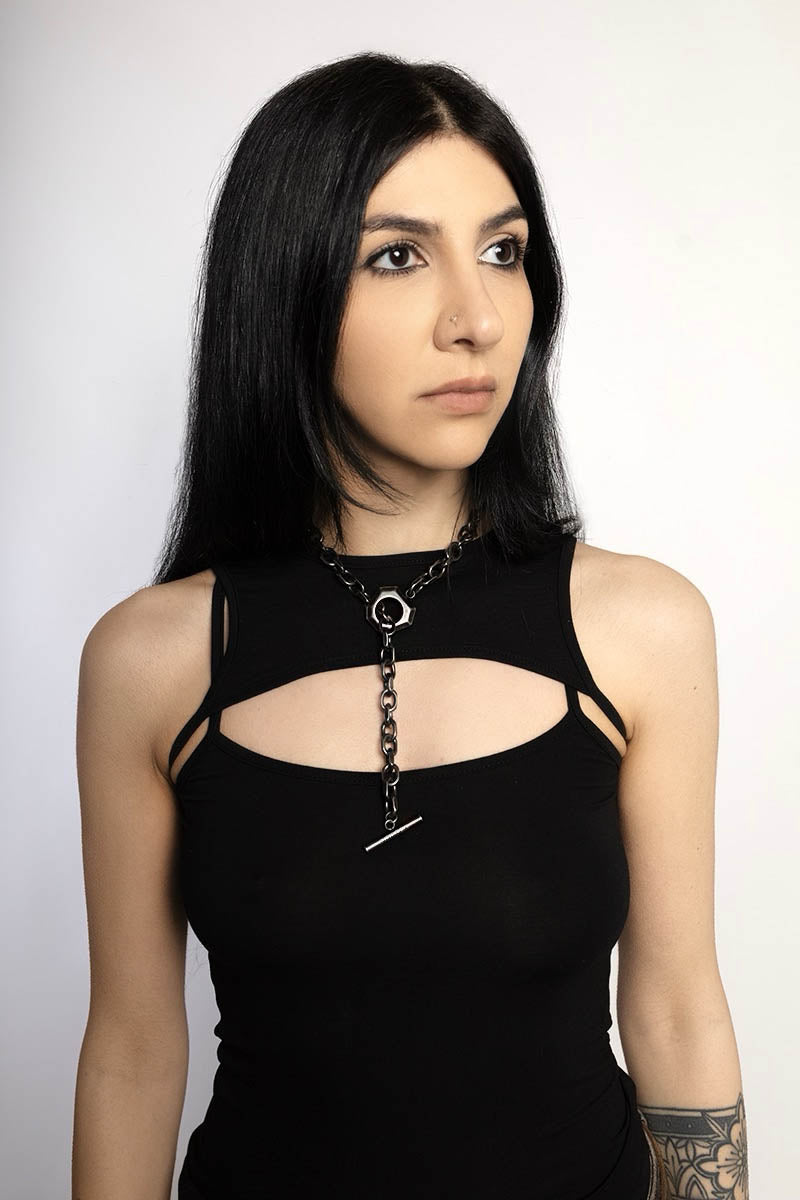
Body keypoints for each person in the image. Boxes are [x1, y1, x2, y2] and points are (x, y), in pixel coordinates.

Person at [71, 51, 749, 1200]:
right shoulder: (150, 660)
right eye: (396, 255)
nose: (476, 318)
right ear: (284, 285)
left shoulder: (641, 627)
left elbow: (677, 1008)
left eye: (503, 252)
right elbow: (133, 1053)